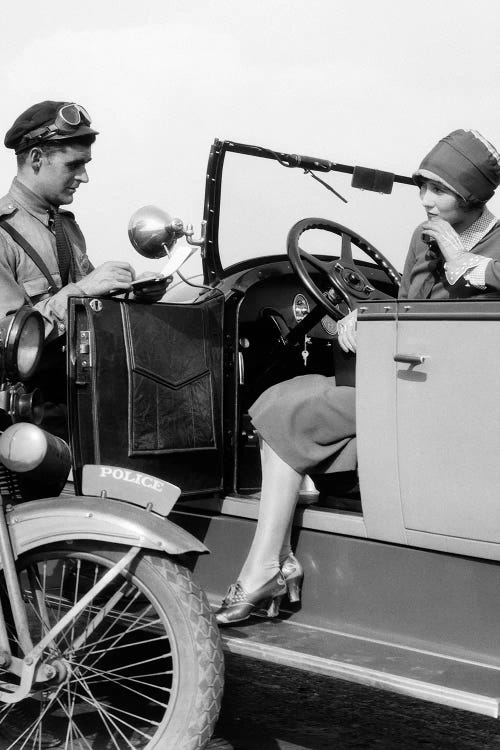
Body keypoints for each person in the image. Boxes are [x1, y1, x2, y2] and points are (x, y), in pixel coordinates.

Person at [215, 128, 500, 625]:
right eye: (421, 186)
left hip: (460, 396)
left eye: (439, 190)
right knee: (287, 399)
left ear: (472, 194)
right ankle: (270, 561)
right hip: (410, 375)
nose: (425, 201)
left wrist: (462, 263)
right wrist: (364, 315)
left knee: (288, 411)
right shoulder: (423, 236)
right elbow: (409, 307)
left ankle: (270, 565)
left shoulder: (487, 245)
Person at [0, 100, 167, 439]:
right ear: (35, 159)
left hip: (79, 406)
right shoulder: (3, 234)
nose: (84, 177)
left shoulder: (65, 227)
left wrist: (129, 293)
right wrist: (85, 288)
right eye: (74, 165)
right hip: (24, 424)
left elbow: (88, 308)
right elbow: (9, 342)